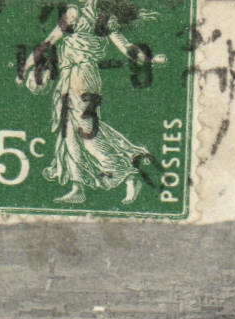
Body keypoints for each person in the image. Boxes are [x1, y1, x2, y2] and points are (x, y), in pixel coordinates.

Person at [16, 0, 166, 204]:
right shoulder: (81, 14)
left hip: (82, 77)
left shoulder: (93, 17)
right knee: (68, 132)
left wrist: (149, 60)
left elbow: (125, 47)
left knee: (87, 132)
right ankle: (77, 186)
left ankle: (126, 174)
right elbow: (50, 41)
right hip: (72, 76)